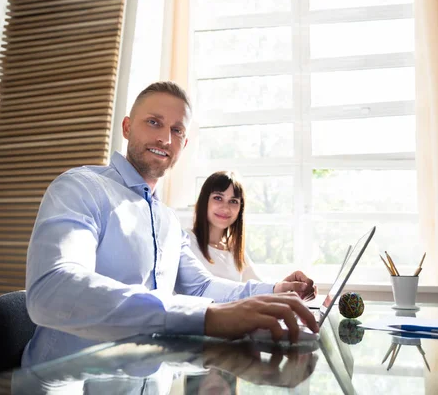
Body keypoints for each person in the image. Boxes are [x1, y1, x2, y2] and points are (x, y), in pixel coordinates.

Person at [22, 81, 319, 368]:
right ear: (126, 127)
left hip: (149, 375)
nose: (165, 139)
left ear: (184, 143)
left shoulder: (167, 220)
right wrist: (208, 318)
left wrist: (276, 289)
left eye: (176, 130)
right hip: (69, 379)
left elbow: (200, 287)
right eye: (153, 122)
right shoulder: (80, 188)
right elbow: (53, 290)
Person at [187, 171, 262, 283]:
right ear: (204, 201)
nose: (225, 208)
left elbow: (261, 288)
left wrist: (286, 286)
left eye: (233, 201)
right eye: (218, 198)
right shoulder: (185, 241)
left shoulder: (235, 251)